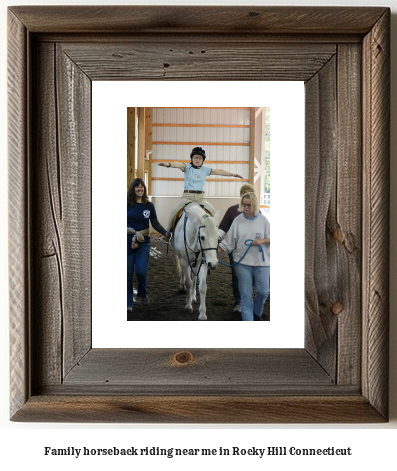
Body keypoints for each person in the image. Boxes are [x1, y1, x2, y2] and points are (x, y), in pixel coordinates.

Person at [158, 146, 243, 237]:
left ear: (203, 160)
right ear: (192, 159)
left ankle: (215, 235)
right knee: (174, 210)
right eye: (196, 158)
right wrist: (169, 164)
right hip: (187, 197)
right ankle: (168, 233)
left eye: (200, 158)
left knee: (214, 212)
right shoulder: (187, 167)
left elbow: (220, 171)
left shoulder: (205, 170)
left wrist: (234, 175)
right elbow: (178, 164)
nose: (198, 160)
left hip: (201, 198)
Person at [218, 192, 270, 321]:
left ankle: (257, 312)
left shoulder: (263, 220)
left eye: (249, 205)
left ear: (255, 205)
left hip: (261, 262)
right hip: (242, 263)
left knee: (263, 291)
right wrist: (214, 252)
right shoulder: (238, 220)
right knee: (246, 295)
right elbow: (228, 242)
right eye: (244, 205)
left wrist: (261, 241)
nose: (246, 208)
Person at [127, 178, 170, 311]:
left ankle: (142, 293)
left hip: (144, 242)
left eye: (142, 187)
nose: (140, 189)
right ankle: (128, 302)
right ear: (133, 189)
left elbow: (155, 223)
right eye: (137, 187)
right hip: (127, 241)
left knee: (141, 271)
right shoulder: (126, 204)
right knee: (127, 273)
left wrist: (166, 233)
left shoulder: (149, 205)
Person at [218, 183, 257, 313]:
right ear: (240, 196)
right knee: (237, 275)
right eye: (245, 195)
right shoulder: (231, 210)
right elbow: (222, 229)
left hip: (252, 250)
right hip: (235, 250)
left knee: (251, 275)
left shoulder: (258, 212)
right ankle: (238, 302)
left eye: (251, 195)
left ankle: (248, 298)